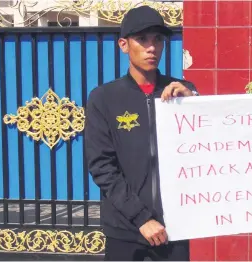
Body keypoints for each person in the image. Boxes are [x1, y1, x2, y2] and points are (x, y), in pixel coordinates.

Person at [85, 6, 198, 261]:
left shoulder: (182, 92)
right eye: (142, 39)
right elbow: (102, 167)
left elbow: (205, 150)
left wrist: (194, 104)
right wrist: (142, 218)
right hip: (126, 230)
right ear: (124, 45)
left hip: (174, 228)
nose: (152, 47)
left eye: (158, 39)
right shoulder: (104, 98)